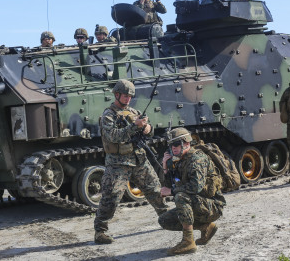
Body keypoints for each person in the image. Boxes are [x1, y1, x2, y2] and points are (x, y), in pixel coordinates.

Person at [94, 79, 168, 244]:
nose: (128, 99)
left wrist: (148, 129)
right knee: (111, 196)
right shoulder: (109, 114)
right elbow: (113, 136)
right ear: (117, 94)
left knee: (154, 189)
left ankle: (166, 218)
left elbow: (145, 131)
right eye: (125, 96)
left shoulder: (134, 111)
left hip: (138, 158)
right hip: (118, 163)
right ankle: (100, 231)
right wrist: (135, 126)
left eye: (130, 96)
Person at [158, 127, 226, 256]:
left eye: (177, 144)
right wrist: (166, 168)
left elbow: (195, 187)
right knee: (164, 220)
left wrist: (172, 191)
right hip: (198, 203)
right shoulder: (180, 161)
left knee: (180, 197)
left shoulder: (197, 159)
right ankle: (206, 227)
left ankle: (188, 242)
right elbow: (170, 185)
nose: (173, 148)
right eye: (171, 145)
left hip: (212, 206)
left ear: (187, 143)